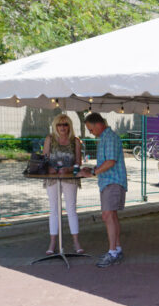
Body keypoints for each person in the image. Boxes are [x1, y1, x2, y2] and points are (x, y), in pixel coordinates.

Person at [82, 112, 128, 267]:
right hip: (109, 182)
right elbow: (107, 162)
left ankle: (113, 252)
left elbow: (110, 162)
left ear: (98, 125)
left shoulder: (109, 138)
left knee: (107, 216)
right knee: (111, 216)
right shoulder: (105, 138)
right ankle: (117, 249)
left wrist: (94, 172)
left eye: (90, 129)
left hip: (112, 182)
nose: (90, 132)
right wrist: (92, 169)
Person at [42, 114, 83, 255]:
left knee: (71, 209)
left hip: (70, 178)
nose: (62, 127)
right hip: (52, 178)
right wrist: (50, 168)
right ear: (55, 126)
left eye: (65, 124)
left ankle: (76, 241)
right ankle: (53, 242)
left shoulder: (75, 141)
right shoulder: (50, 139)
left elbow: (78, 162)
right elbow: (44, 159)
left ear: (70, 126)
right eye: (59, 124)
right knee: (54, 210)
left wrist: (69, 169)